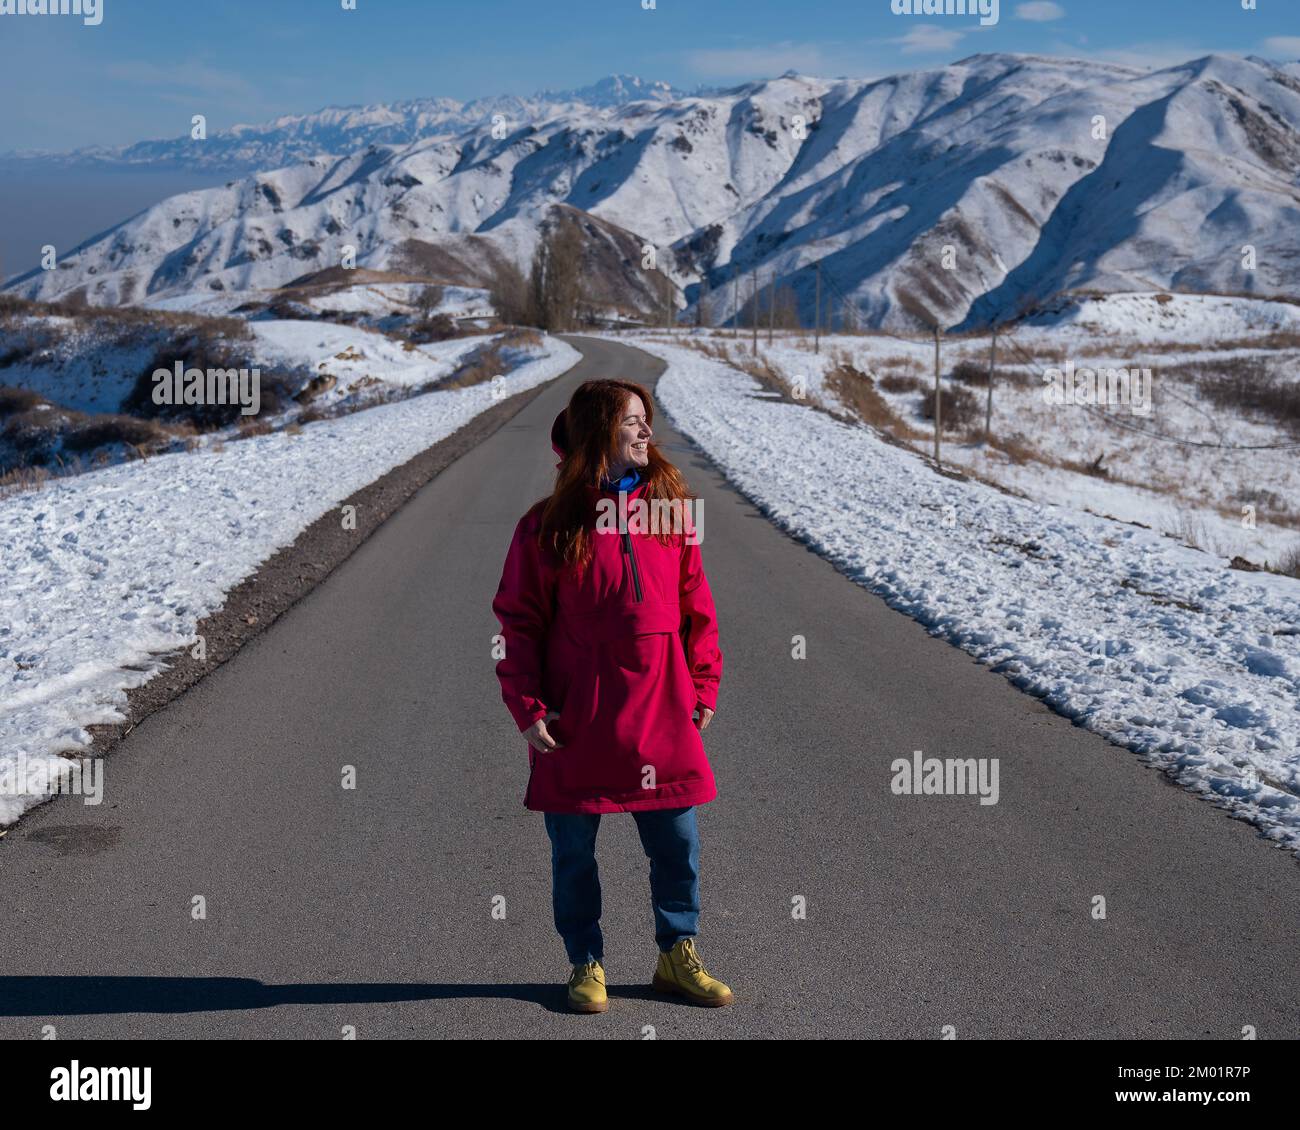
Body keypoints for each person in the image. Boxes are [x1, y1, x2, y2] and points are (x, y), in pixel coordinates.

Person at [491, 378, 733, 1013]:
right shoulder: (546, 527)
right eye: (632, 421)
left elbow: (696, 610)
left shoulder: (669, 514)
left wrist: (703, 682)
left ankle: (677, 954)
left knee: (678, 841)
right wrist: (529, 707)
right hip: (578, 719)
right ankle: (585, 961)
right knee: (574, 852)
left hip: (662, 712)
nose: (646, 432)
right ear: (599, 433)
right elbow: (519, 626)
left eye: (646, 419)